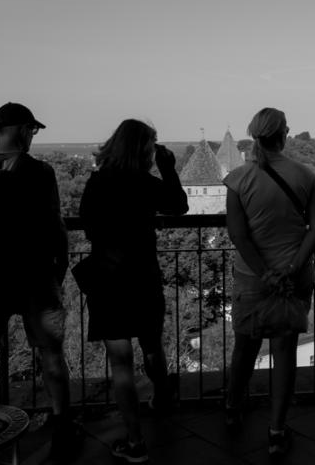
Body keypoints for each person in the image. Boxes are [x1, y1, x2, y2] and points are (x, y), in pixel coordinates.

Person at [79, 119, 188, 463]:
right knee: (152, 344)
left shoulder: (98, 182)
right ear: (142, 148)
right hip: (143, 275)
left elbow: (88, 225)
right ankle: (161, 397)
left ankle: (135, 440)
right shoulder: (145, 183)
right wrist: (169, 167)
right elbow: (178, 204)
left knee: (121, 364)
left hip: (109, 278)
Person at [0, 103, 84, 464]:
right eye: (33, 130)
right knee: (51, 356)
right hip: (36, 278)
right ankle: (61, 427)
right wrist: (58, 271)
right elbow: (54, 225)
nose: (33, 137)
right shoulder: (39, 172)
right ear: (23, 130)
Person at [223, 108, 315, 460]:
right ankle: (277, 430)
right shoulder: (303, 175)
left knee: (244, 348)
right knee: (284, 353)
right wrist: (293, 267)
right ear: (283, 134)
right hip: (293, 277)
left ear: (255, 136)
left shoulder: (238, 179)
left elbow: (238, 234)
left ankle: (234, 410)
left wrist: (263, 271)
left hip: (252, 277)